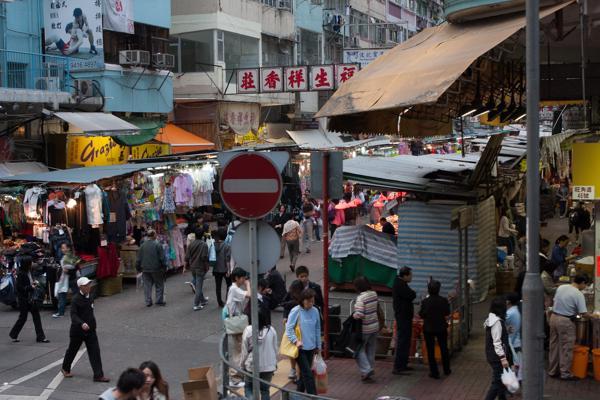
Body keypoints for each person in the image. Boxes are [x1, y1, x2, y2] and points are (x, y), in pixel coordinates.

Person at [61, 277, 110, 382]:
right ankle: (65, 368)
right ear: (80, 287)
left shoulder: (91, 297)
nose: (88, 286)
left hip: (91, 330)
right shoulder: (75, 299)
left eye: (89, 284)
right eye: (86, 285)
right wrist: (81, 323)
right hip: (77, 331)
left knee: (95, 352)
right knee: (72, 351)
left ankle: (98, 375)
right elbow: (73, 315)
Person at [548, 274, 591, 380]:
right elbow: (583, 313)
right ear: (582, 283)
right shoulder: (578, 294)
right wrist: (593, 315)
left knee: (554, 345)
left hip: (553, 317)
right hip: (565, 321)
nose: (585, 287)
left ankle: (552, 371)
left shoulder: (561, 287)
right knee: (566, 347)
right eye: (586, 285)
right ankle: (565, 373)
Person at [285, 289, 321, 394]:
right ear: (302, 300)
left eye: (312, 301)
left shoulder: (315, 311)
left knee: (304, 374)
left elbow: (317, 329)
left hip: (311, 347)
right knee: (308, 374)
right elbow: (289, 328)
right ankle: (313, 396)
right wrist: (296, 341)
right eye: (308, 301)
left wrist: (318, 346)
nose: (311, 304)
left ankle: (298, 394)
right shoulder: (296, 311)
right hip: (299, 348)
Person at [9, 256, 48, 343]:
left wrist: (34, 283)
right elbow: (19, 288)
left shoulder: (30, 271)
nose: (32, 264)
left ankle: (40, 337)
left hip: (32, 298)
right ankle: (13, 334)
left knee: (36, 317)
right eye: (30, 262)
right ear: (27, 264)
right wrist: (30, 287)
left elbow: (38, 269)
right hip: (24, 299)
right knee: (23, 317)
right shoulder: (21, 274)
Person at [241, 310, 278, 400]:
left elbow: (244, 351)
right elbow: (275, 349)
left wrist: (242, 366)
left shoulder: (248, 330)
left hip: (252, 366)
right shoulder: (271, 330)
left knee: (249, 387)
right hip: (269, 366)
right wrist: (275, 363)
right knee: (265, 390)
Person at [419, 280, 451, 379]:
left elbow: (422, 314)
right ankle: (446, 369)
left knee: (430, 350)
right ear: (439, 289)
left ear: (428, 290)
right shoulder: (443, 300)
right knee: (444, 348)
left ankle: (434, 372)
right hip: (441, 327)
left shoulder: (425, 301)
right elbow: (447, 312)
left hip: (429, 328)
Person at [484, 297, 513, 400]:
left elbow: (496, 336)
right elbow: (497, 342)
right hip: (497, 357)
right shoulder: (497, 323)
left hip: (492, 355)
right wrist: (503, 359)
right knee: (497, 383)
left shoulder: (492, 319)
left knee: (501, 381)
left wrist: (506, 331)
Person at [226, 267, 252, 387]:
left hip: (236, 321)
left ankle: (238, 375)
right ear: (237, 278)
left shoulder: (234, 289)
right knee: (238, 350)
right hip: (236, 322)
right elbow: (249, 294)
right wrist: (248, 284)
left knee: (240, 349)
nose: (243, 280)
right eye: (242, 278)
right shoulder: (234, 289)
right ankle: (235, 378)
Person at [352, 276, 379, 382]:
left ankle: (366, 370)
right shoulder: (374, 294)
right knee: (371, 350)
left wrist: (354, 315)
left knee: (358, 350)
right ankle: (370, 368)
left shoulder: (361, 298)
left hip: (365, 329)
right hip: (374, 327)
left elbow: (359, 314)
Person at [392, 266, 416, 375]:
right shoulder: (400, 284)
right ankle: (398, 366)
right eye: (410, 275)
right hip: (403, 317)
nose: (412, 277)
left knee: (406, 341)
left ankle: (403, 363)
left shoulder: (401, 283)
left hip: (405, 316)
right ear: (405, 275)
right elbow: (411, 295)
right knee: (402, 341)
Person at [136, 230, 168, 307]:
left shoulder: (142, 246)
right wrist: (164, 266)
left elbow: (138, 259)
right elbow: (162, 258)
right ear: (153, 235)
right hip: (156, 268)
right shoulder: (158, 245)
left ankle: (148, 301)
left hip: (145, 268)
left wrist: (138, 268)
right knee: (159, 284)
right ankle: (159, 300)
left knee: (147, 285)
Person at [282, 280, 305, 381]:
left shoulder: (304, 298)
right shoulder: (289, 295)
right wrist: (285, 317)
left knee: (298, 351)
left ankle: (298, 374)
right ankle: (293, 370)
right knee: (292, 350)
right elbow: (284, 306)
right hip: (292, 327)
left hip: (300, 328)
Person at [53, 243, 81, 318]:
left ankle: (61, 312)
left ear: (68, 248)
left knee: (62, 294)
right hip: (71, 278)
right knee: (74, 294)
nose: (63, 250)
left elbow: (72, 268)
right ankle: (79, 310)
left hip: (69, 278)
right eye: (62, 248)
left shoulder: (68, 257)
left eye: (65, 248)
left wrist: (67, 270)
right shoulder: (71, 256)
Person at [186, 229, 210, 311]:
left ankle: (202, 300)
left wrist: (186, 266)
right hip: (200, 266)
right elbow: (204, 257)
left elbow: (187, 257)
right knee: (199, 286)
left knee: (197, 283)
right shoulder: (204, 245)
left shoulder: (191, 244)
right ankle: (196, 304)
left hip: (192, 267)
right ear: (202, 235)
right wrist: (207, 266)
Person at [213, 228, 232, 308]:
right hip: (224, 268)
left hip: (216, 268)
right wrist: (229, 270)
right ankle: (228, 300)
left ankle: (219, 302)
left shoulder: (213, 244)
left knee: (218, 286)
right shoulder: (227, 246)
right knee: (229, 285)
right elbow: (227, 260)